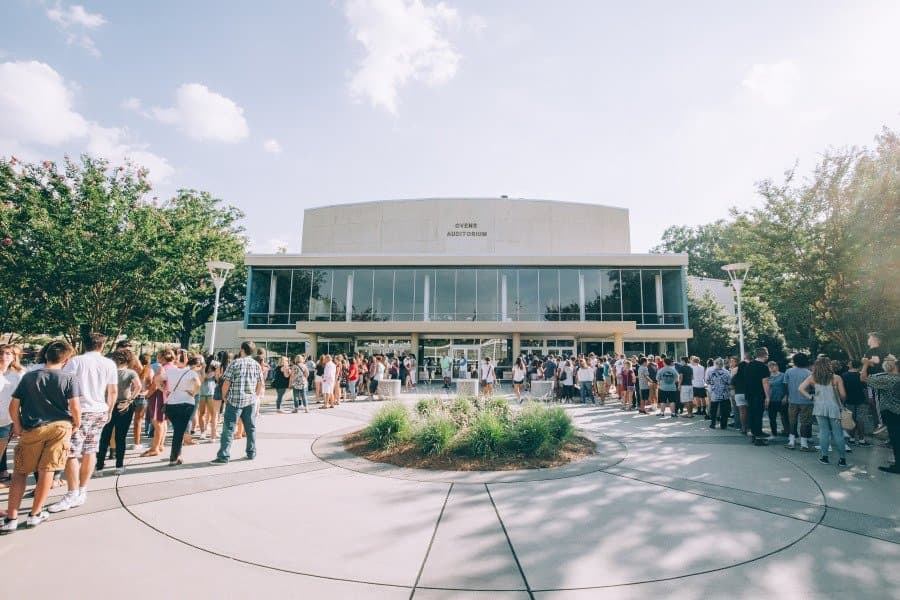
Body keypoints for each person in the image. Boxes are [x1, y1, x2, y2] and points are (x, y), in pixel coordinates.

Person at [1, 341, 81, 533]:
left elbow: (14, 407)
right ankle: (34, 515)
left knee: (20, 472)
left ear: (46, 355)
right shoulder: (69, 378)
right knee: (48, 471)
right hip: (60, 427)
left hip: (32, 428)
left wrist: (18, 427)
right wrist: (75, 424)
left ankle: (11, 517)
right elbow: (75, 407)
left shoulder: (29, 377)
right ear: (67, 359)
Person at [49, 333, 117, 514]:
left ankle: (72, 493)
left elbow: (64, 385)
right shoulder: (109, 363)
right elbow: (113, 391)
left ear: (83, 344)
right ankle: (82, 490)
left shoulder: (76, 361)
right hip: (100, 410)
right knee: (90, 450)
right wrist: (109, 410)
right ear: (102, 346)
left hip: (80, 410)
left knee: (71, 453)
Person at [211, 342, 264, 464]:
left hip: (234, 400)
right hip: (250, 401)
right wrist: (255, 396)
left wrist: (225, 397)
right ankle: (251, 452)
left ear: (241, 350)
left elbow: (226, 382)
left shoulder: (235, 363)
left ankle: (224, 455)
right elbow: (260, 383)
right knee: (250, 427)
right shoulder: (256, 365)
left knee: (229, 429)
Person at [95, 350, 141, 475]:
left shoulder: (107, 372)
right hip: (124, 406)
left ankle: (99, 467)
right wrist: (130, 400)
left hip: (107, 405)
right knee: (121, 437)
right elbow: (138, 386)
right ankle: (119, 466)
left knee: (104, 437)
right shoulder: (131, 372)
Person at [799, 357, 848, 467]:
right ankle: (842, 459)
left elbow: (801, 388)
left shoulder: (813, 377)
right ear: (829, 365)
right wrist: (841, 402)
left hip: (819, 407)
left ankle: (824, 457)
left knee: (824, 432)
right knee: (838, 433)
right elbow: (843, 395)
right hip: (834, 407)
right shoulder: (836, 378)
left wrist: (810, 397)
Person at [161, 354, 203, 467]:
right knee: (179, 431)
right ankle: (173, 458)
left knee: (177, 430)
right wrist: (193, 392)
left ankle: (177, 455)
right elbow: (198, 384)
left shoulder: (171, 371)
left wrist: (164, 389)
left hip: (171, 404)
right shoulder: (191, 373)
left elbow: (157, 378)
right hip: (186, 403)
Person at [862, 356, 900, 474]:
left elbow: (863, 378)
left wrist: (866, 364)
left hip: (892, 413)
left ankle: (898, 466)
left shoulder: (888, 379)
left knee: (896, 439)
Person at [0, 344, 24, 490]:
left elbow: (21, 400)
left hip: (6, 420)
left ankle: (3, 474)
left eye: (8, 353)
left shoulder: (19, 374)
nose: (4, 356)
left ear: (14, 356)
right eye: (1, 353)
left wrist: (17, 423)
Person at [784, 353, 814, 451]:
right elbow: (813, 387)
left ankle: (791, 441)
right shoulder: (809, 373)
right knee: (804, 422)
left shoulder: (788, 371)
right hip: (806, 401)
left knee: (792, 421)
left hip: (792, 400)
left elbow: (785, 386)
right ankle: (803, 443)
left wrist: (787, 396)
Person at [745, 348, 772, 446]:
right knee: (758, 416)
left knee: (752, 414)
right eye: (767, 354)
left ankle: (754, 433)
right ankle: (758, 437)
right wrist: (768, 397)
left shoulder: (749, 365)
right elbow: (765, 382)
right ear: (764, 355)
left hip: (749, 394)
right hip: (759, 394)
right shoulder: (763, 367)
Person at [841, 360, 869, 446]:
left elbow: (842, 389)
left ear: (851, 365)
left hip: (849, 400)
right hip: (861, 399)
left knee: (850, 419)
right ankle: (861, 439)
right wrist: (867, 399)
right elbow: (865, 389)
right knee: (861, 419)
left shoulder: (844, 375)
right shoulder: (861, 375)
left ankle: (851, 438)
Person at [706, 358, 732, 429]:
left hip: (714, 393)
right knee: (724, 410)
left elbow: (707, 381)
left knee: (713, 409)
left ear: (715, 364)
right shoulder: (727, 372)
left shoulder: (710, 371)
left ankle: (713, 423)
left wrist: (713, 385)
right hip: (724, 393)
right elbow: (730, 382)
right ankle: (723, 424)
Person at [767, 361, 788, 439]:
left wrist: (785, 396)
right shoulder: (768, 376)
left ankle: (787, 431)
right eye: (770, 366)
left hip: (781, 399)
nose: (772, 367)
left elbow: (786, 387)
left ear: (777, 366)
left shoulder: (783, 375)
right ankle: (774, 433)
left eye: (773, 365)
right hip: (771, 399)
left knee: (785, 416)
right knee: (772, 418)